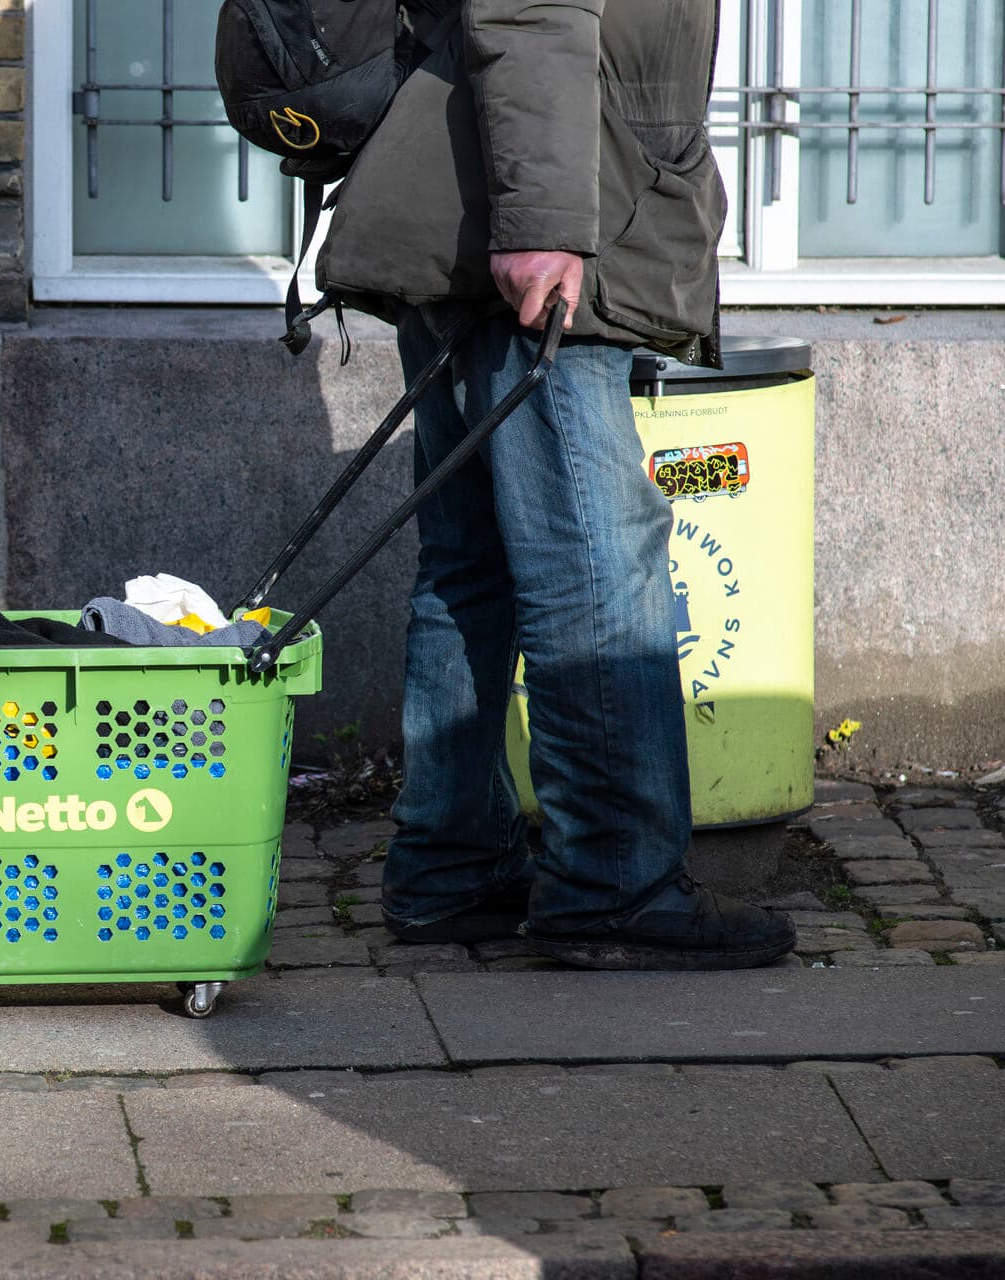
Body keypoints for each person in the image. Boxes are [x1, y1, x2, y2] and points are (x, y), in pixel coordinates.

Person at [322, 0, 796, 969]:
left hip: (472, 200)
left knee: (474, 560)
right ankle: (613, 880)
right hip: (538, 220)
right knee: (592, 560)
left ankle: (451, 862)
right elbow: (529, 10)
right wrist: (540, 224)